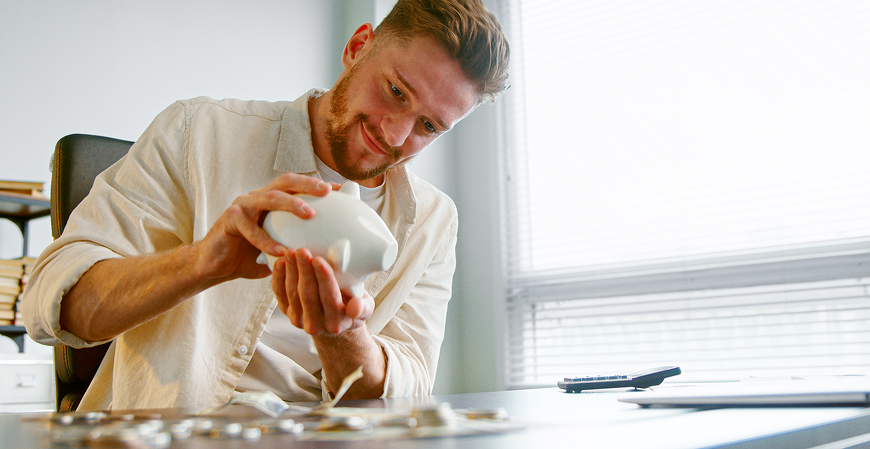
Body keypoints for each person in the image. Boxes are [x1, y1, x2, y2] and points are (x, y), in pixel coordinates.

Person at [21, 0, 509, 411]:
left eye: (429, 127)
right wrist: (201, 264)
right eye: (396, 92)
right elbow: (51, 305)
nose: (396, 134)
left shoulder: (431, 220)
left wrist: (343, 333)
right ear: (358, 47)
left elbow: (408, 385)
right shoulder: (198, 133)